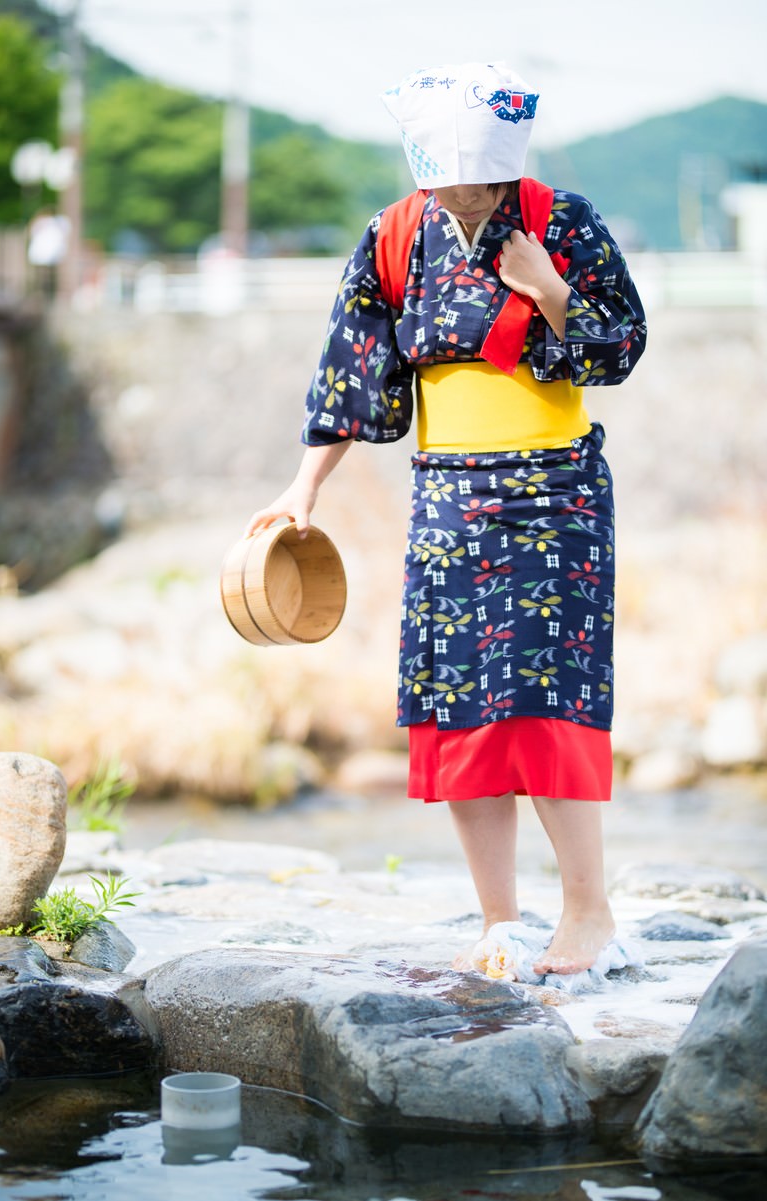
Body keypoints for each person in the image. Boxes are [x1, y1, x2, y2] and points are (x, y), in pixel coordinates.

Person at [245, 62, 647, 977]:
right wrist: (304, 487)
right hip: (451, 499)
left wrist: (548, 288)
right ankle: (500, 919)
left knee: (552, 699)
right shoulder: (394, 235)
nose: (465, 196)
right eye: (448, 182)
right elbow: (353, 370)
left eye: (480, 180)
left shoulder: (564, 220)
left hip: (559, 494)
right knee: (463, 704)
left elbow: (620, 342)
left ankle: (589, 914)